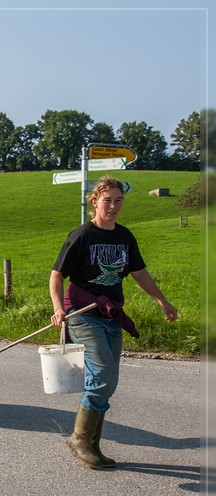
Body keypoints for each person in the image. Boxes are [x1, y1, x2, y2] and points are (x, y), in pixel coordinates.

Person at [49, 175, 178, 469]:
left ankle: (91, 443)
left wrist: (163, 301)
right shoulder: (82, 236)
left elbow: (139, 273)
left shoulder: (124, 236)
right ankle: (80, 439)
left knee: (108, 382)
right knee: (104, 376)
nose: (114, 206)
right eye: (108, 200)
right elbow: (57, 275)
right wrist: (59, 309)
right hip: (82, 314)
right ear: (94, 202)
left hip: (110, 315)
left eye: (119, 200)